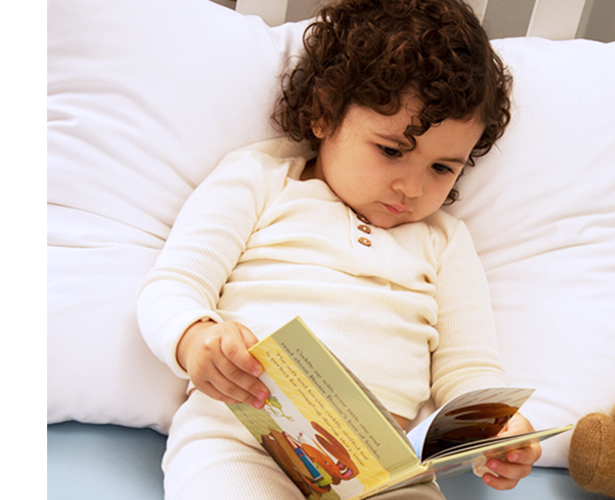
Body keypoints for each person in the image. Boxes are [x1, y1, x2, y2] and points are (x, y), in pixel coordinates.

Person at [136, 1, 540, 499]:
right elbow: (174, 286)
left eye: (442, 168)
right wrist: (194, 339)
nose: (412, 188)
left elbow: (468, 368)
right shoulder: (262, 180)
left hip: (381, 464)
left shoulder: (444, 241)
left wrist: (496, 428)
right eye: (392, 151)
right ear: (325, 114)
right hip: (242, 430)